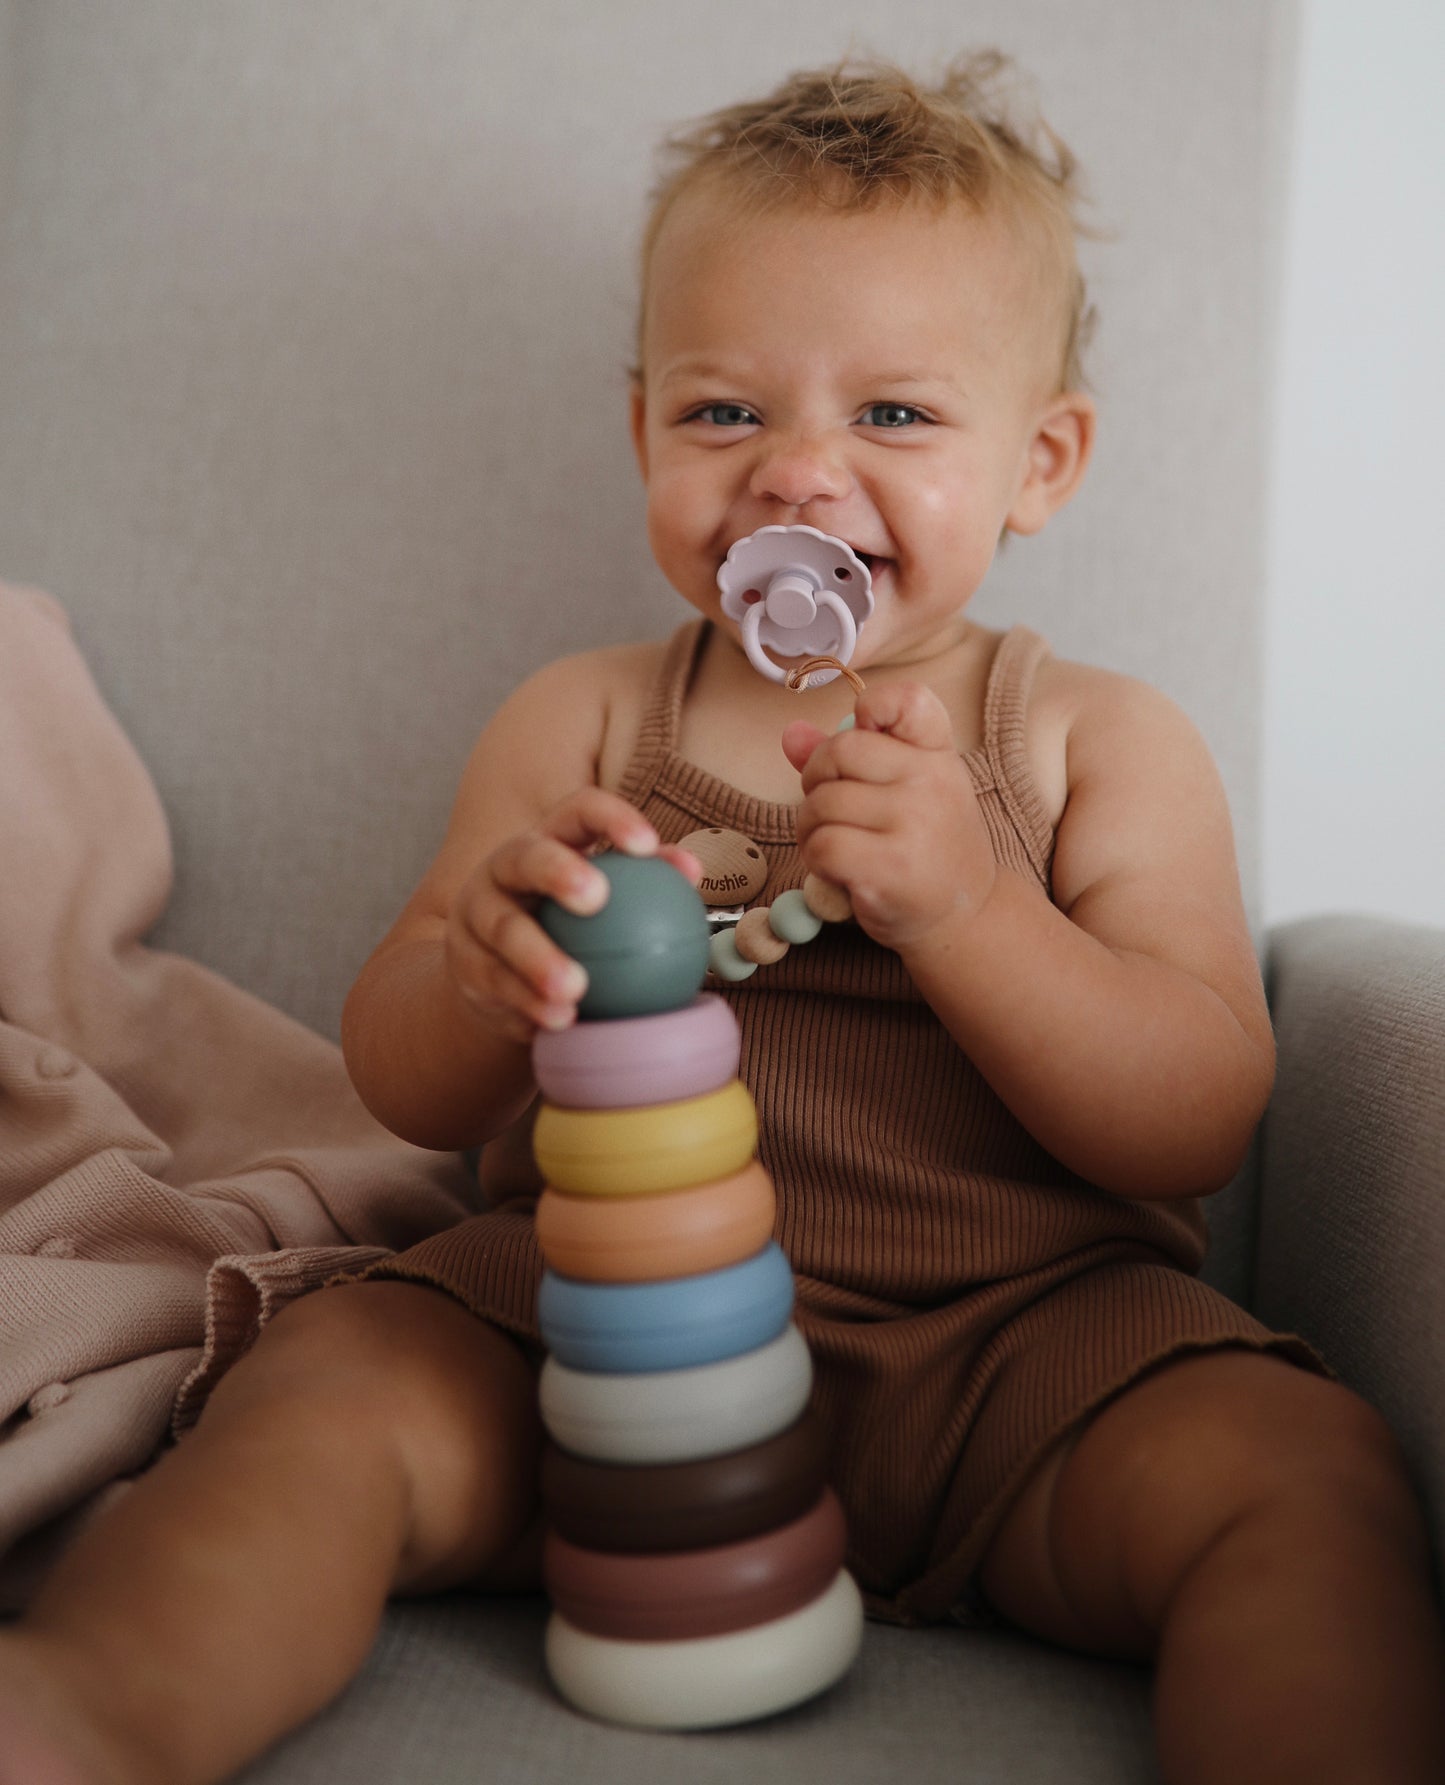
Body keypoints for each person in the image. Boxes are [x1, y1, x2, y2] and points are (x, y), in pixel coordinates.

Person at [2, 53, 1442, 1785]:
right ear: (643, 434)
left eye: (893, 418)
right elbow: (407, 1080)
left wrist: (975, 909)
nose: (796, 478)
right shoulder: (587, 721)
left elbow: (1201, 1105)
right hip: (588, 1343)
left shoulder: (1093, 742)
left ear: (1038, 460)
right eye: (723, 414)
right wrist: (484, 965)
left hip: (1021, 1362)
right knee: (331, 1383)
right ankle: (95, 1710)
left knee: (1304, 1479)